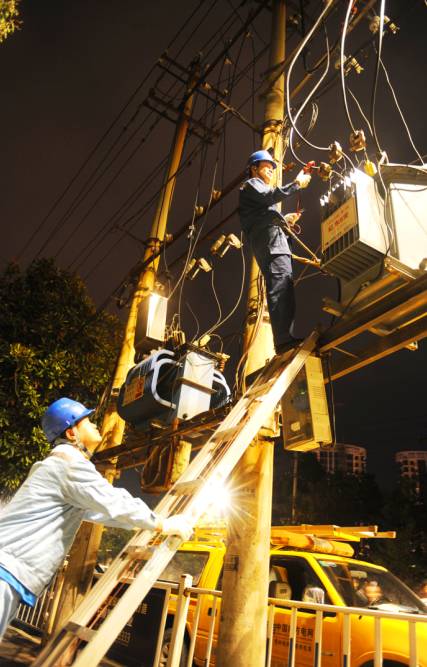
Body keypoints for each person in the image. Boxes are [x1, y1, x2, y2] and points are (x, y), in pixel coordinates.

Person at [0, 397, 193, 640]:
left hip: (8, 570)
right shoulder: (69, 464)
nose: (95, 425)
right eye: (88, 421)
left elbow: (101, 511)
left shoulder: (58, 466)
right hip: (5, 571)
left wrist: (146, 524)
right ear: (72, 433)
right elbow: (112, 501)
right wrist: (163, 523)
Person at [239, 149, 312, 354]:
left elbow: (264, 213)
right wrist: (296, 184)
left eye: (272, 167)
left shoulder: (256, 195)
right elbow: (269, 196)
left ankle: (284, 338)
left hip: (273, 243)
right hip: (271, 245)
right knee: (281, 287)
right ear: (254, 169)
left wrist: (284, 220)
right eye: (267, 166)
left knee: (284, 286)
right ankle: (283, 340)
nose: (271, 170)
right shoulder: (252, 185)